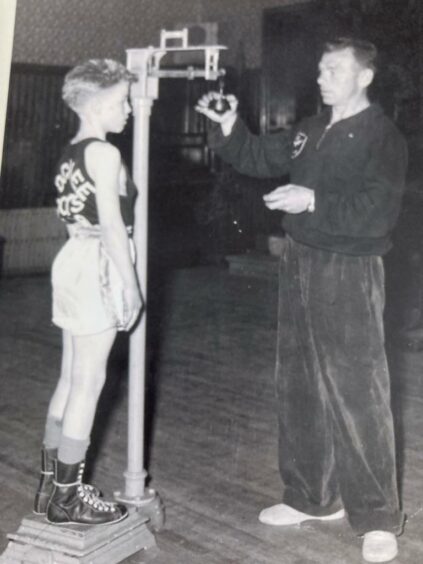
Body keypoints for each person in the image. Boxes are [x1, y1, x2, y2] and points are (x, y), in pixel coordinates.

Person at [196, 37, 407, 563]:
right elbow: (257, 155)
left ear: (365, 76)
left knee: (358, 392)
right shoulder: (311, 131)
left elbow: (377, 212)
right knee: (298, 384)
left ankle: (378, 517)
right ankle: (313, 498)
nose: (321, 76)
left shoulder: (383, 137)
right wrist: (228, 124)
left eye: (333, 68)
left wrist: (310, 199)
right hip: (299, 264)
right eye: (319, 67)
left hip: (351, 270)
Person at [33, 59, 143, 525]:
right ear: (97, 104)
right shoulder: (104, 153)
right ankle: (68, 497)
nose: (130, 111)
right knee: (89, 381)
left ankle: (49, 487)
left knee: (69, 378)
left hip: (72, 260)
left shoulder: (70, 151)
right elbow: (114, 228)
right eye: (122, 102)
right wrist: (132, 288)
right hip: (99, 263)